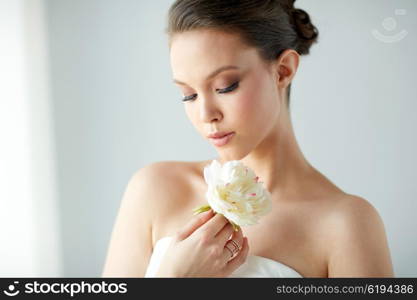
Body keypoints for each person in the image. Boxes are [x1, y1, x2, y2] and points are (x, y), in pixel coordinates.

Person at [102, 0, 394, 277]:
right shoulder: (155, 189)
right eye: (188, 94)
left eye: (225, 86)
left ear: (283, 71)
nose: (206, 114)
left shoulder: (346, 225)